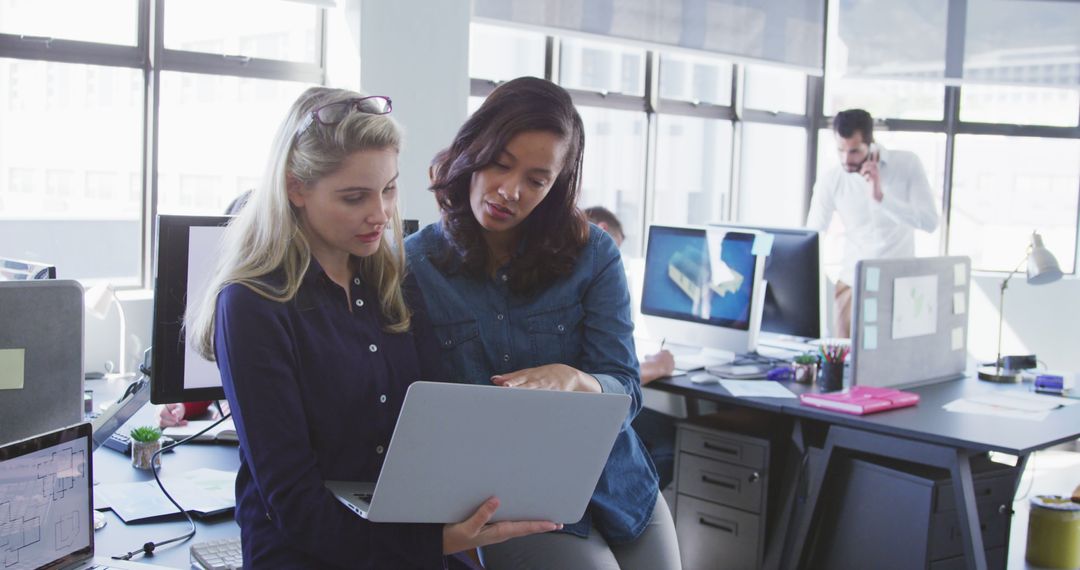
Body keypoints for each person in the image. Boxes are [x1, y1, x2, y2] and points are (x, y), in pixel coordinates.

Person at [184, 86, 558, 568]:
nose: (380, 214)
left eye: (389, 189)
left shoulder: (393, 280)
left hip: (413, 534)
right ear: (296, 188)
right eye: (355, 197)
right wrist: (432, 544)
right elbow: (294, 502)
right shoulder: (253, 304)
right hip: (311, 551)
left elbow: (435, 425)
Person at [406, 77, 681, 570]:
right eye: (500, 163)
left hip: (616, 481)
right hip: (511, 498)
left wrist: (579, 381)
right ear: (473, 150)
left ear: (557, 185)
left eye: (536, 180)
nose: (510, 191)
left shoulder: (593, 253)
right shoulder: (414, 266)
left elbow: (627, 388)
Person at [806, 108, 939, 338]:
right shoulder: (832, 180)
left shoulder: (906, 165)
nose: (846, 159)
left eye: (855, 151)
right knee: (843, 365)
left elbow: (929, 222)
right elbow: (812, 236)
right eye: (840, 150)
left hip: (900, 286)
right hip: (852, 283)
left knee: (897, 363)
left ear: (870, 142)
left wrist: (882, 199)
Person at [583, 205, 678, 491]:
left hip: (590, 407)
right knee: (671, 441)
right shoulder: (587, 269)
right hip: (586, 416)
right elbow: (608, 378)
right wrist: (657, 367)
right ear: (601, 231)